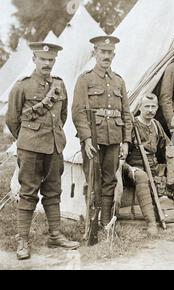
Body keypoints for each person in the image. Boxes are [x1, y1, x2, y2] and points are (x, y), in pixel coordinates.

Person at [6, 42, 80, 260]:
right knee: (28, 191)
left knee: (53, 190)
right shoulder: (22, 86)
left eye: (51, 60)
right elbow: (12, 119)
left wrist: (51, 135)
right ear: (34, 60)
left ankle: (55, 234)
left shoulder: (60, 85)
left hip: (55, 145)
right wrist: (28, 138)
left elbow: (62, 116)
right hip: (30, 147)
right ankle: (22, 240)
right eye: (43, 59)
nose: (47, 63)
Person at [72, 36, 133, 226]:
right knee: (93, 180)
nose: (106, 56)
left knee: (109, 180)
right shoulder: (85, 79)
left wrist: (126, 141)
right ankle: (92, 222)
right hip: (93, 139)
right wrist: (87, 138)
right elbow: (78, 112)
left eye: (109, 53)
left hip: (114, 138)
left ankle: (106, 221)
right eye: (102, 52)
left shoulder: (118, 81)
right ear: (94, 53)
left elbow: (126, 113)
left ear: (114, 55)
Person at [122, 93, 169, 235]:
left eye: (153, 106)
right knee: (142, 176)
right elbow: (121, 155)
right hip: (132, 167)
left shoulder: (156, 124)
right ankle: (151, 223)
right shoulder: (132, 125)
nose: (150, 110)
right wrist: (130, 169)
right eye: (146, 106)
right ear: (140, 107)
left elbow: (167, 145)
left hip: (153, 167)